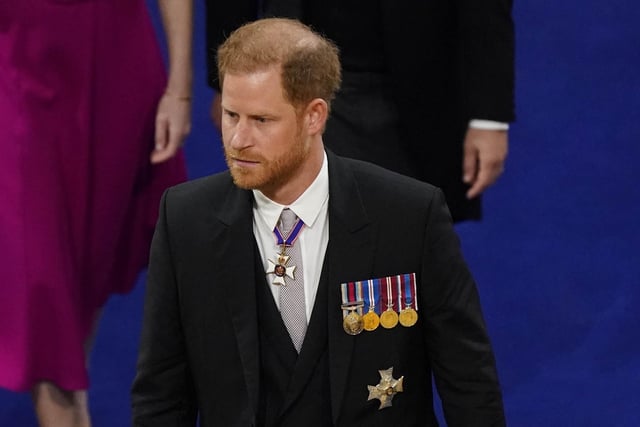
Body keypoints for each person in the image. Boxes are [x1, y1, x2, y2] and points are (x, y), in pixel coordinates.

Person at [131, 18, 504, 426]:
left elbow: (469, 382)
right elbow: (161, 398)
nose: (238, 139)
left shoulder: (409, 215)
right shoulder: (186, 220)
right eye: (231, 115)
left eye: (261, 120)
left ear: (314, 117)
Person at [0, 0, 192, 425]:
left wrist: (180, 86)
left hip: (116, 65)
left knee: (87, 270)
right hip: (16, 68)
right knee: (42, 285)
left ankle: (73, 400)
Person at [204, 1, 515, 223]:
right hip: (290, 79)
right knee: (288, 245)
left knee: (403, 255)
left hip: (410, 90)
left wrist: (489, 117)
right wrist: (228, 81)